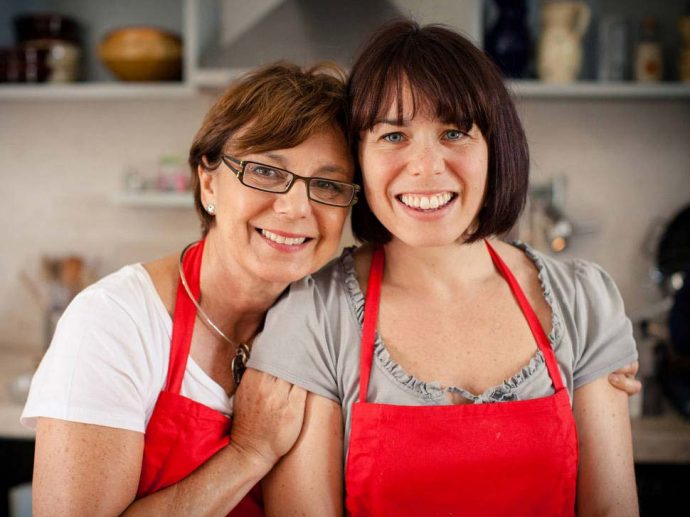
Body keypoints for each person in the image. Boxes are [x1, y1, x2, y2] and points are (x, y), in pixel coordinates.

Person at [248, 21, 640, 516]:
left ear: (496, 149)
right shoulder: (313, 315)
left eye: (454, 132)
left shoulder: (584, 300)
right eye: (393, 135)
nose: (426, 166)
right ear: (357, 161)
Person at [20, 62, 359, 516]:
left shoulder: (329, 330)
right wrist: (247, 454)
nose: (296, 207)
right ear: (208, 182)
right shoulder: (114, 321)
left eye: (327, 184)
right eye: (265, 172)